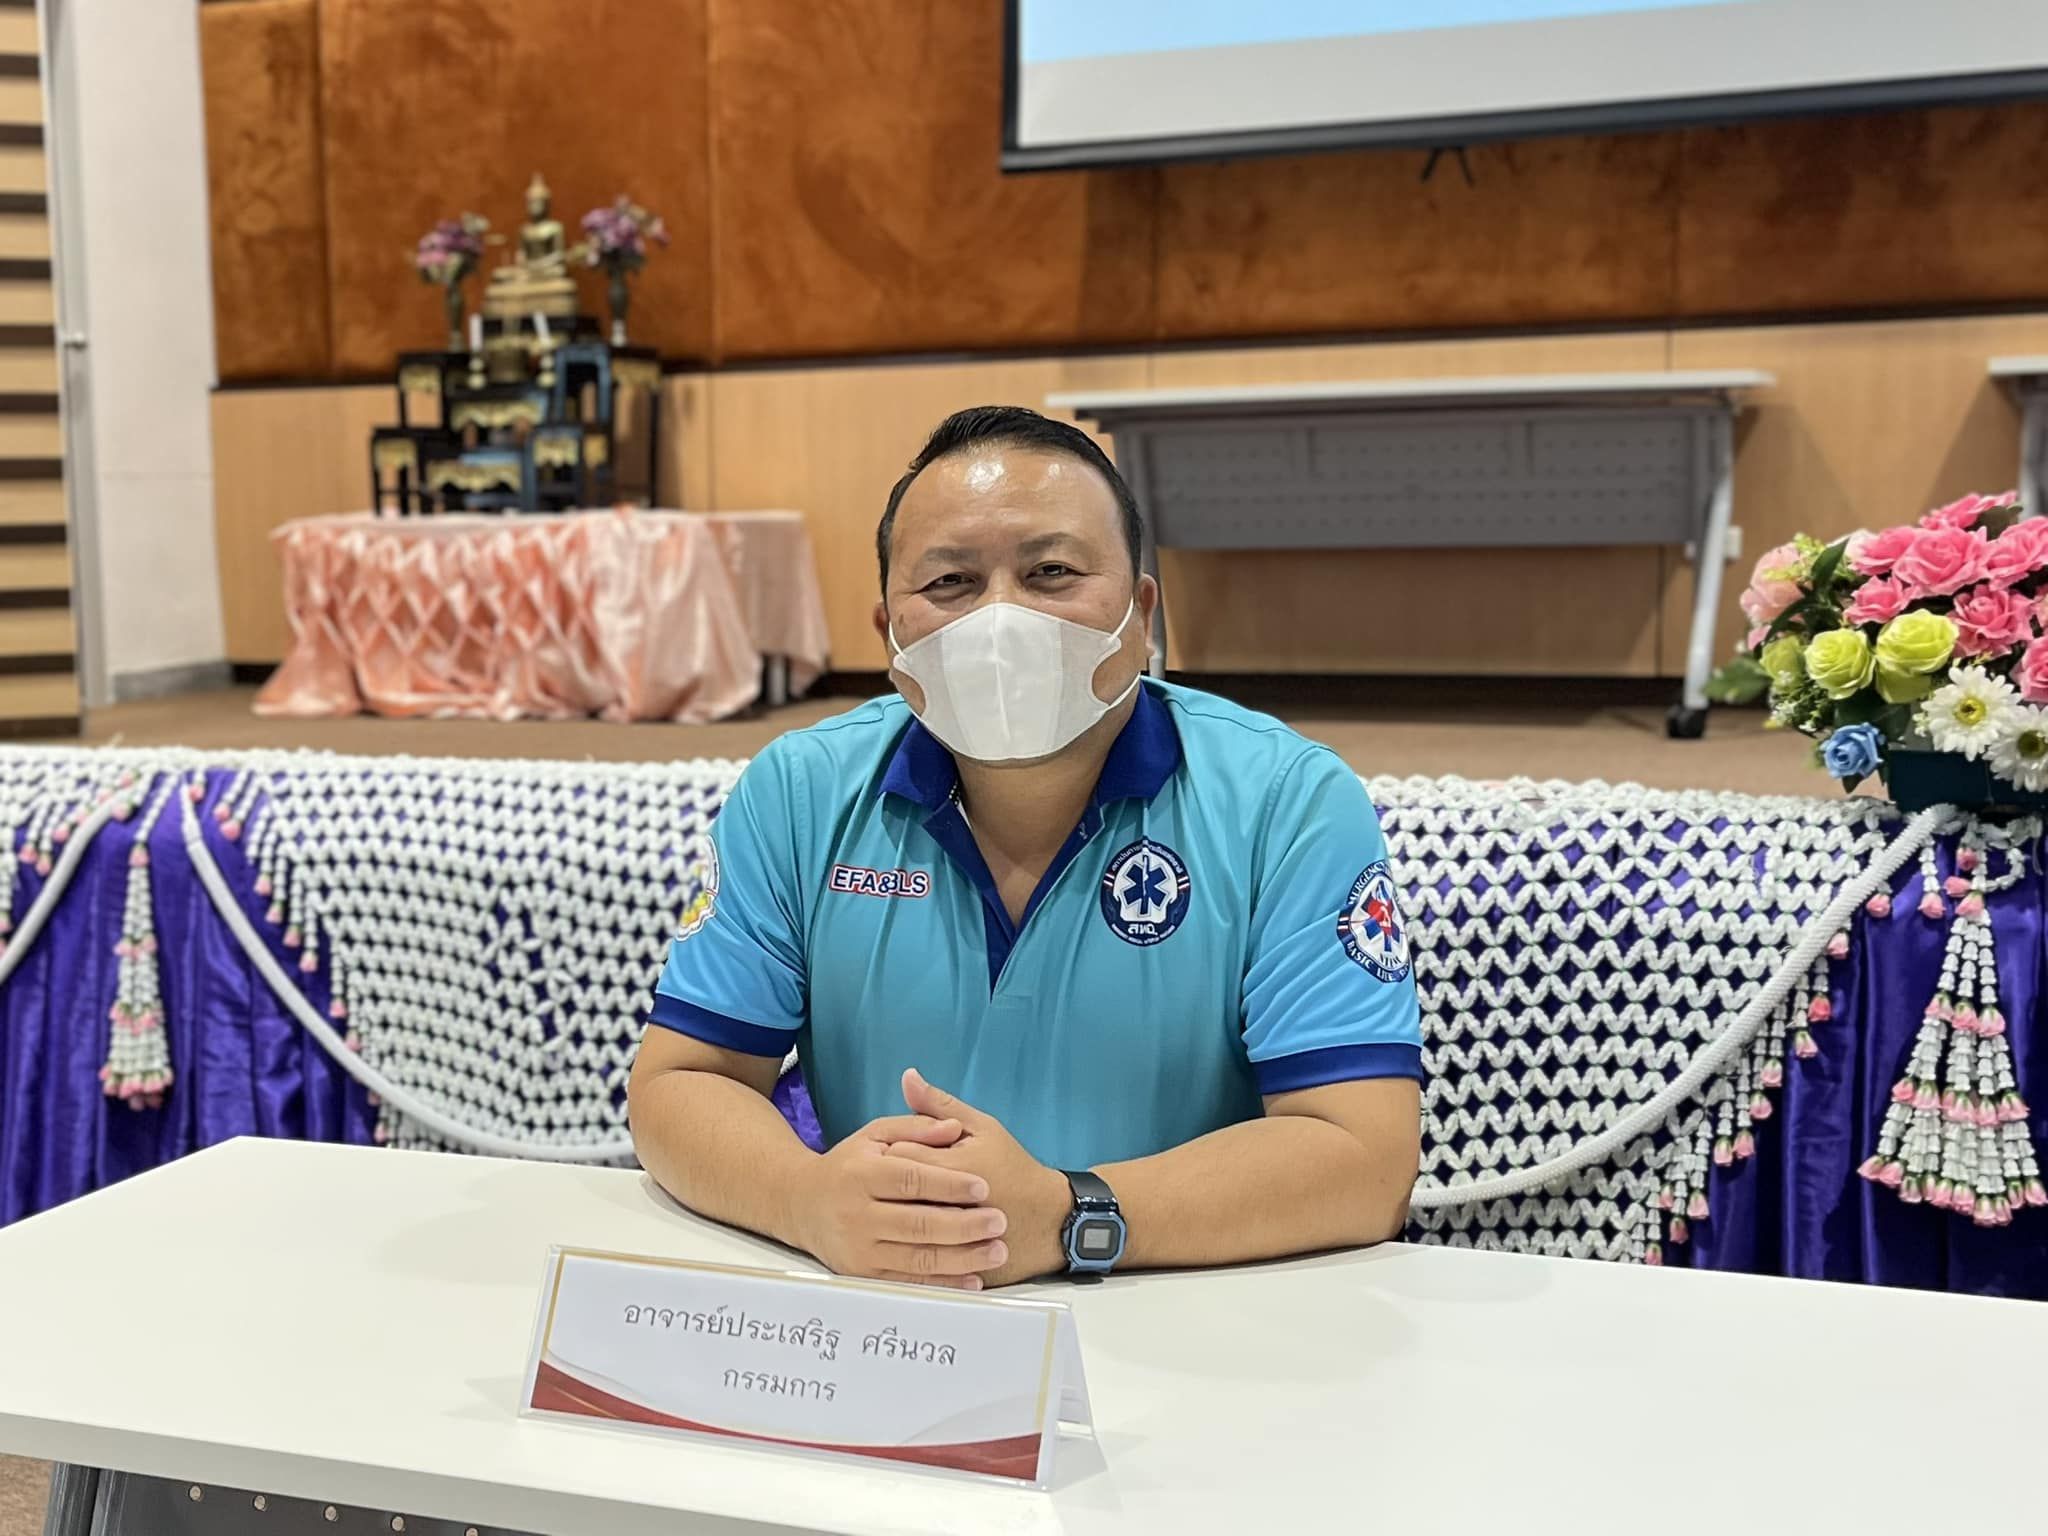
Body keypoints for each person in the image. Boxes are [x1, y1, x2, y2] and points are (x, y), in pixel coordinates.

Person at [630, 405, 1422, 1289]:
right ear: (888, 633)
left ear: (1142, 612)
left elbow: (1365, 1158)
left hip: (1188, 1305)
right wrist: (806, 1202)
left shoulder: (1288, 802)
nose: (1000, 619)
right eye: (950, 583)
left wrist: (1068, 1214)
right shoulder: (799, 793)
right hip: (889, 1314)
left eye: (1051, 572)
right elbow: (679, 1084)